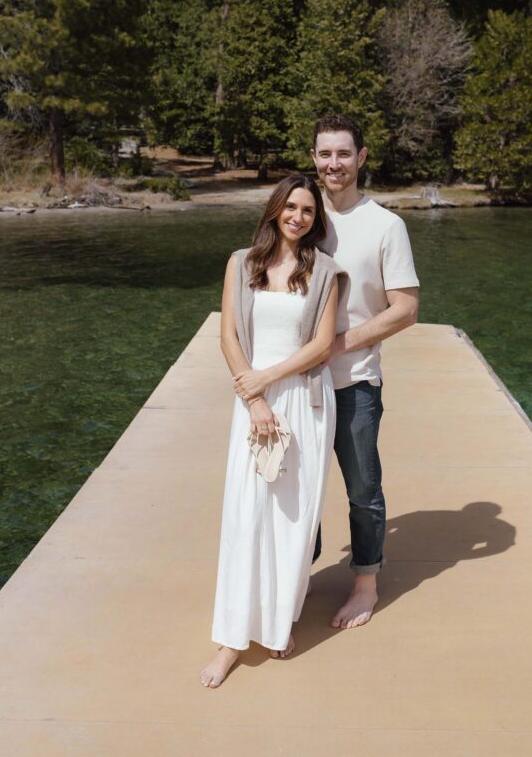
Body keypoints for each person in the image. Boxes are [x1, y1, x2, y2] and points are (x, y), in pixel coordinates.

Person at [201, 174, 341, 689]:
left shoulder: (327, 272)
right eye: (291, 207)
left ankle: (279, 624)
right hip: (252, 400)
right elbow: (228, 335)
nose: (298, 217)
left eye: (308, 210)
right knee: (246, 514)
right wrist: (255, 396)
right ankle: (231, 641)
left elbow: (322, 345)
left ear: (315, 219)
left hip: (304, 402)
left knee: (292, 518)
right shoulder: (241, 263)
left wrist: (268, 379)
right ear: (275, 209)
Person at [311, 114, 419, 630]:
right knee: (295, 486)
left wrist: (335, 346)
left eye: (343, 154)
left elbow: (405, 309)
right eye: (325, 154)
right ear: (314, 158)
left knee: (362, 489)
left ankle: (365, 583)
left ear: (362, 157)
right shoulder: (301, 216)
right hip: (297, 383)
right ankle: (292, 573)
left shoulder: (385, 226)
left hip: (354, 381)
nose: (335, 163)